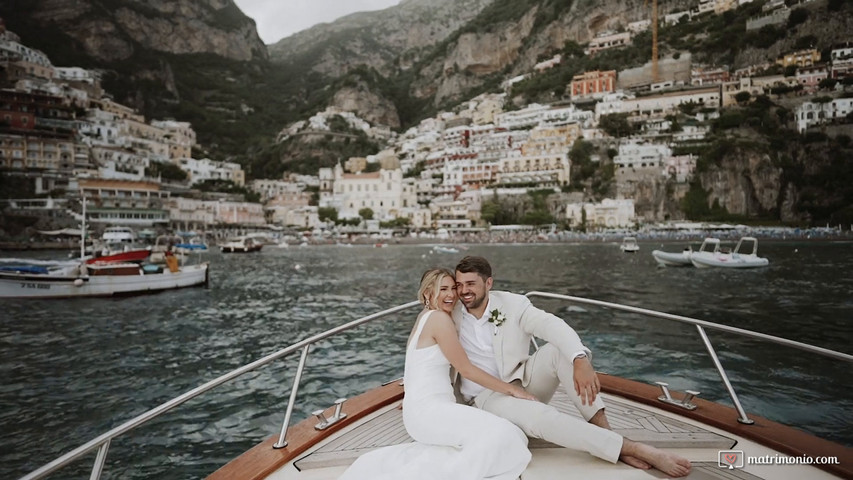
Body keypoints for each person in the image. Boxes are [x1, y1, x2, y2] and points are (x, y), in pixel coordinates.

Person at [453, 255, 692, 478]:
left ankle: (608, 434)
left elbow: (551, 325)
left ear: (489, 283)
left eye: (471, 284)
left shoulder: (513, 304)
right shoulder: (450, 312)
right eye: (459, 284)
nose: (464, 291)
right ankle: (629, 448)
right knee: (540, 416)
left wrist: (579, 359)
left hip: (520, 382)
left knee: (560, 352)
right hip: (485, 399)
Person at [339, 268, 534, 480]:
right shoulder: (439, 320)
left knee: (503, 436)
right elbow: (466, 369)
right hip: (430, 413)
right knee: (507, 436)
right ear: (427, 294)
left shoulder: (424, 317)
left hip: (420, 411)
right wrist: (511, 390)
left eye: (453, 288)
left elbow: (417, 367)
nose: (450, 295)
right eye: (443, 289)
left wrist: (410, 397)